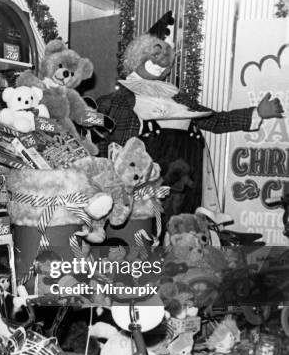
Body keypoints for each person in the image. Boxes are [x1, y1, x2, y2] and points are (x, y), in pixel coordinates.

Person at [97, 11, 284, 213]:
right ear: (138, 55)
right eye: (156, 55)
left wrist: (257, 112)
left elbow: (215, 121)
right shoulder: (114, 101)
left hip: (187, 182)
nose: (162, 63)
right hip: (143, 183)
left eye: (166, 59)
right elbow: (102, 146)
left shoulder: (176, 96)